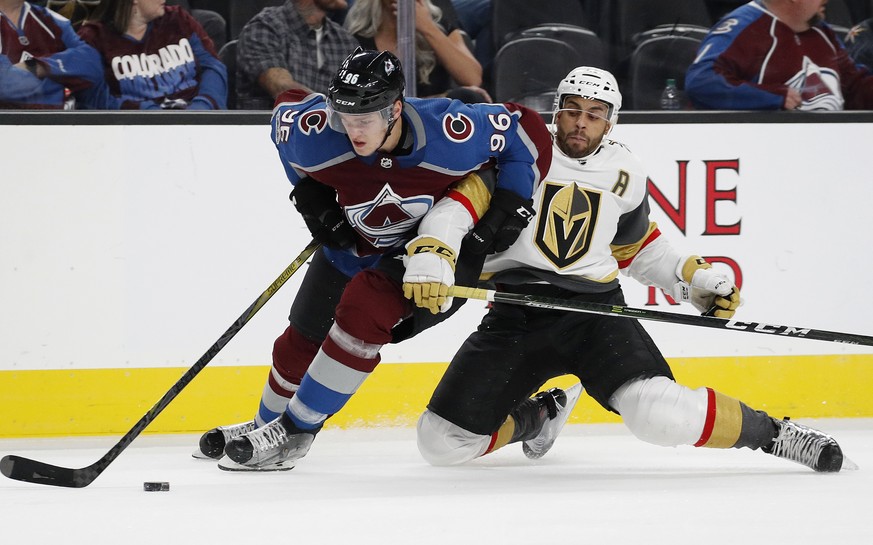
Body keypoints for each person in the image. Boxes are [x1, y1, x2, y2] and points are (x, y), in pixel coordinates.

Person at [415, 66, 848, 473]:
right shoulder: (519, 153)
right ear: (557, 111)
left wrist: (690, 279)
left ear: (611, 122)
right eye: (572, 111)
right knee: (441, 442)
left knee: (655, 414)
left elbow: (634, 247)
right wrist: (433, 251)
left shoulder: (624, 171)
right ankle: (541, 415)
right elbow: (459, 207)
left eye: (594, 114)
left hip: (595, 316)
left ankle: (780, 435)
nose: (580, 123)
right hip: (514, 315)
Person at [195, 47, 552, 471]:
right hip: (355, 247)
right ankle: (265, 423)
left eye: (364, 118)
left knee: (362, 308)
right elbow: (282, 117)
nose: (353, 130)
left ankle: (295, 433)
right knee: (300, 339)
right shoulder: (317, 133)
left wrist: (510, 206)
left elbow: (527, 130)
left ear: (395, 109)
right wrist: (309, 196)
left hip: (428, 256)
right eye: (345, 117)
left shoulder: (451, 130)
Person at [685, 0, 873, 110]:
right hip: (764, 154)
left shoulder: (821, 31)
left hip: (827, 150)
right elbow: (702, 81)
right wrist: (773, 97)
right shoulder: (744, 26)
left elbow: (854, 85)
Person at [76, 0, 227, 109]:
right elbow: (94, 98)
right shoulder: (93, 38)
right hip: (131, 133)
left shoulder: (179, 20)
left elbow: (213, 66)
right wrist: (146, 113)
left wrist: (204, 104)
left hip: (198, 123)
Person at [344, 0, 490, 102]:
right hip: (385, 125)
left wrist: (427, 27)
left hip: (434, 120)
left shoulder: (437, 25)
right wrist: (442, 97)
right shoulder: (358, 40)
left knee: (469, 97)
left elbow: (473, 78)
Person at [235, 0, 359, 110]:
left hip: (331, 131)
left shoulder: (345, 41)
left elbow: (356, 96)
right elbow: (282, 87)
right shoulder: (264, 27)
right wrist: (329, 110)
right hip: (267, 130)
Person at [0, 0, 102, 108]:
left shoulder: (52, 19)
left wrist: (38, 66)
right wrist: (63, 78)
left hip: (60, 120)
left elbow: (92, 63)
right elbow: (5, 85)